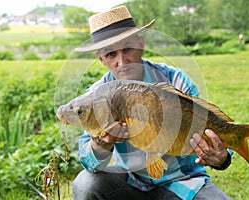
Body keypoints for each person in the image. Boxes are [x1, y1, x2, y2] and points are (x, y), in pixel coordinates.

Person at [72, 6, 232, 200]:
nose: (122, 62)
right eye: (111, 54)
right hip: (130, 181)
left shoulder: (176, 81)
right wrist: (100, 146)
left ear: (141, 44)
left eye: (128, 48)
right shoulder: (95, 97)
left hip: (184, 181)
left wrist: (222, 158)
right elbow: (88, 161)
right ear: (101, 59)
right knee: (85, 185)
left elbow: (211, 131)